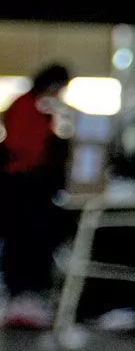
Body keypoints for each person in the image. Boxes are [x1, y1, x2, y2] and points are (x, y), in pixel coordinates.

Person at [1, 64, 72, 328]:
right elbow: (20, 146)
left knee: (30, 242)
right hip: (23, 185)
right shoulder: (26, 106)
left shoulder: (37, 107)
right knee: (23, 241)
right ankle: (21, 300)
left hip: (30, 184)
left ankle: (26, 300)